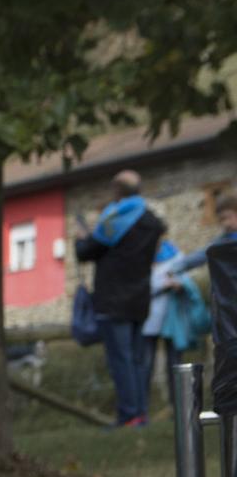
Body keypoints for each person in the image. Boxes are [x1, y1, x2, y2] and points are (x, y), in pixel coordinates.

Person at [76, 170, 168, 429]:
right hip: (140, 297)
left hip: (113, 299)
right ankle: (140, 414)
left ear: (117, 191)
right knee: (138, 360)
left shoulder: (114, 219)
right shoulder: (151, 221)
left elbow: (87, 251)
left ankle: (128, 415)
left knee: (121, 360)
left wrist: (82, 237)